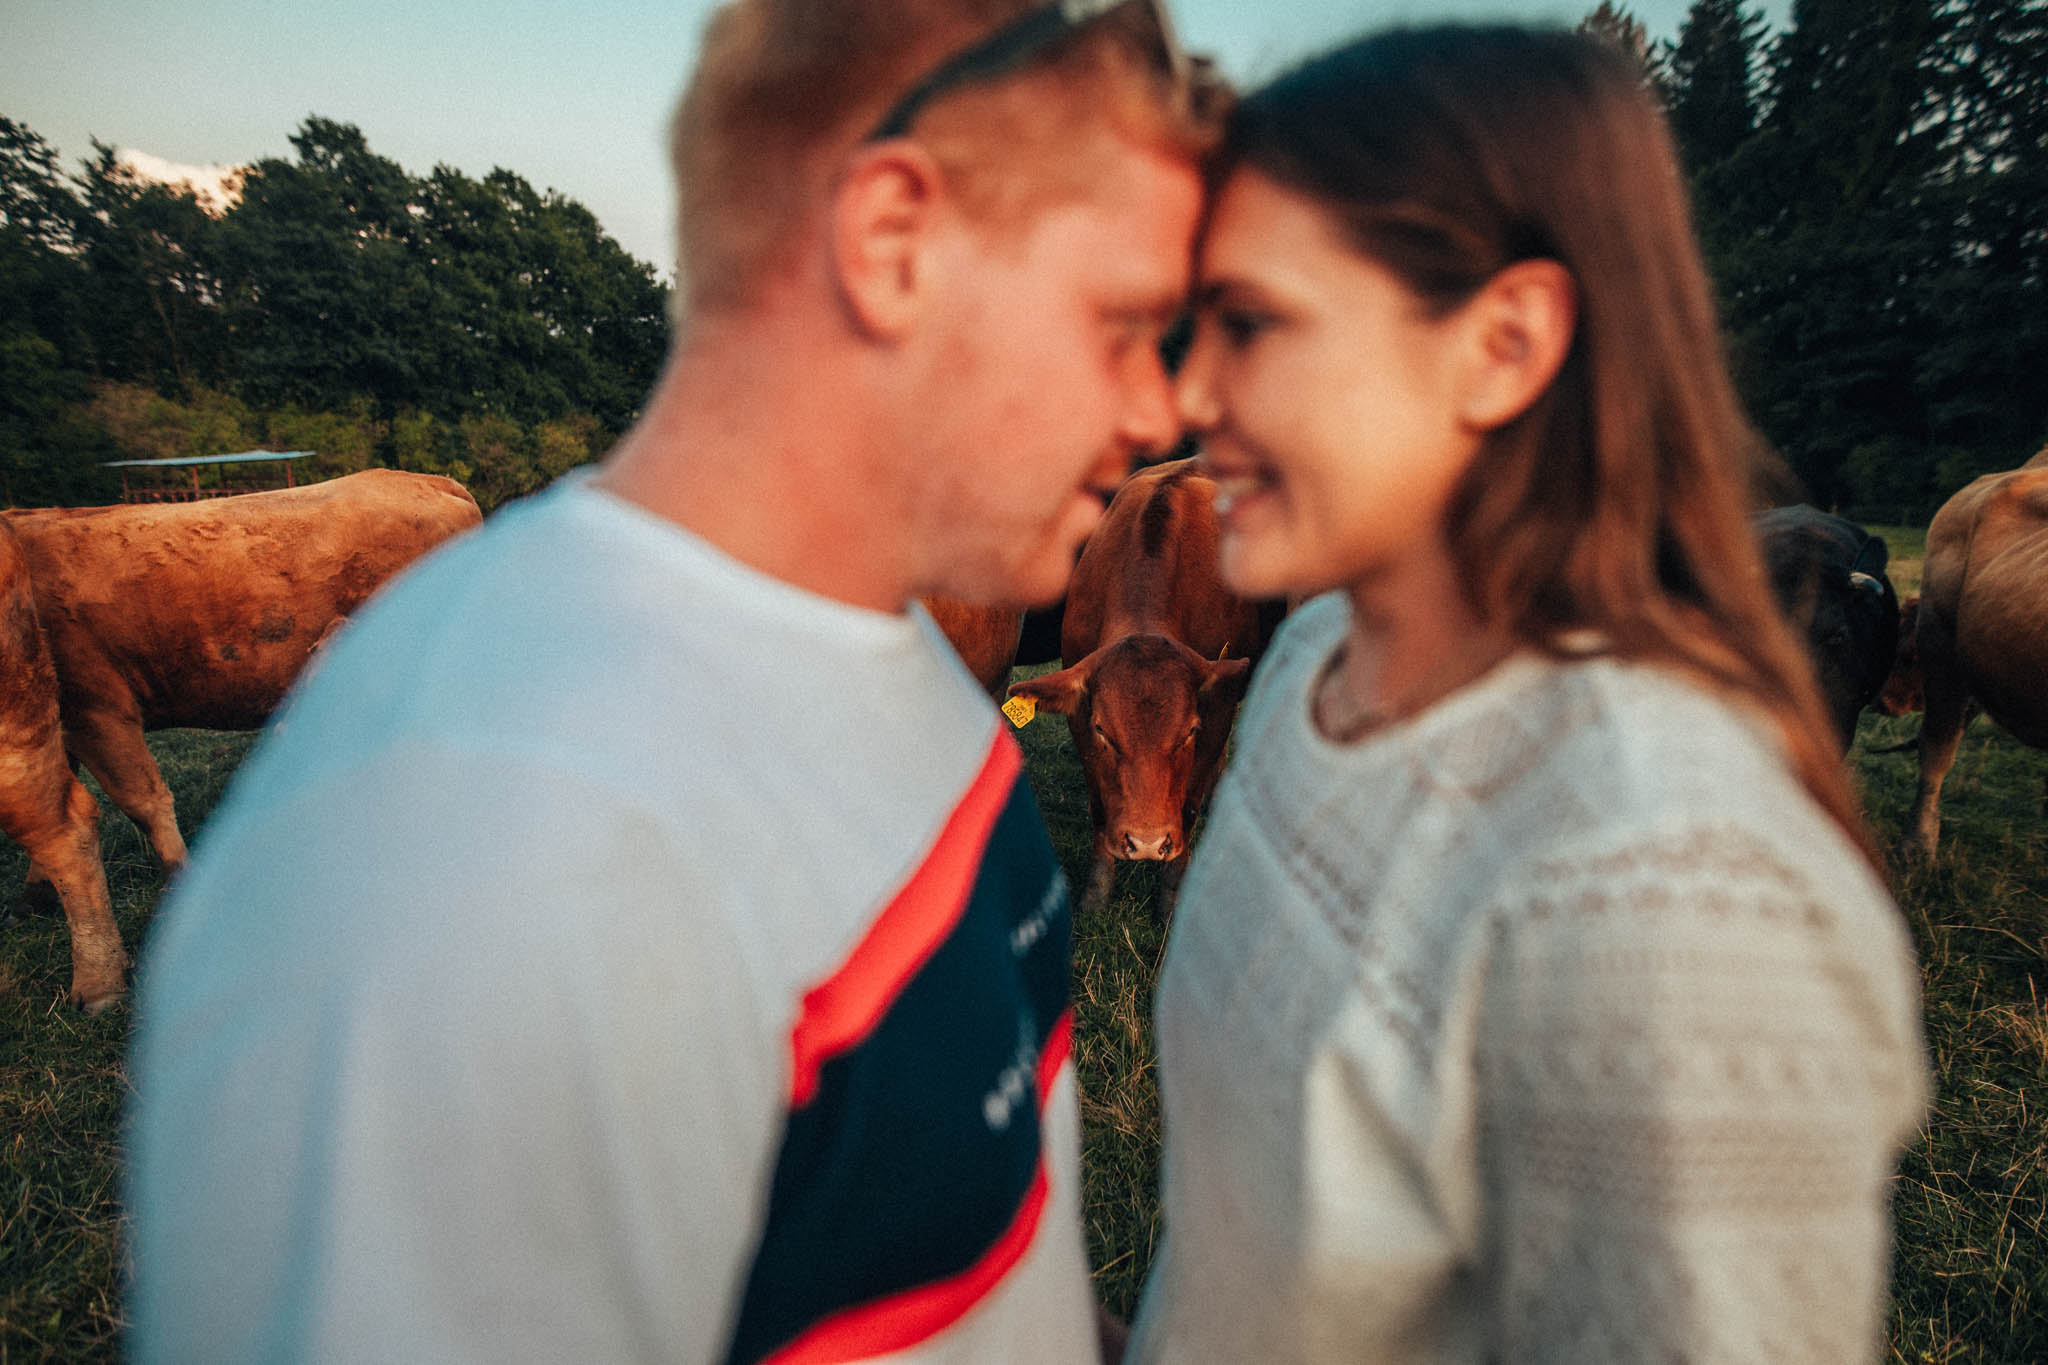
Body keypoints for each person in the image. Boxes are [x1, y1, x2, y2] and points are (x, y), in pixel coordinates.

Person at [126, 3, 1217, 1360]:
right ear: (894, 246)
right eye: (1122, 323)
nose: (1160, 414)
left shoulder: (920, 668)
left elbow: (957, 1264)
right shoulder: (465, 863)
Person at [1127, 25, 1928, 1364]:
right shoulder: (1313, 660)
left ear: (1504, 343)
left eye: (1252, 322)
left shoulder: (1665, 901)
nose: (1185, 391)